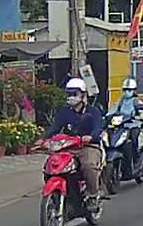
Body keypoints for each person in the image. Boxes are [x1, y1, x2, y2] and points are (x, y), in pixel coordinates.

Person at [44, 78, 106, 209]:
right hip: (68, 147)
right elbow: (55, 127)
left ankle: (93, 195)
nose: (71, 97)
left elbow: (98, 127)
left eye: (74, 94)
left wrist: (90, 137)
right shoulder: (64, 112)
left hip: (88, 146)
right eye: (69, 94)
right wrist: (44, 139)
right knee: (51, 165)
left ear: (83, 95)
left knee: (88, 166)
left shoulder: (93, 111)